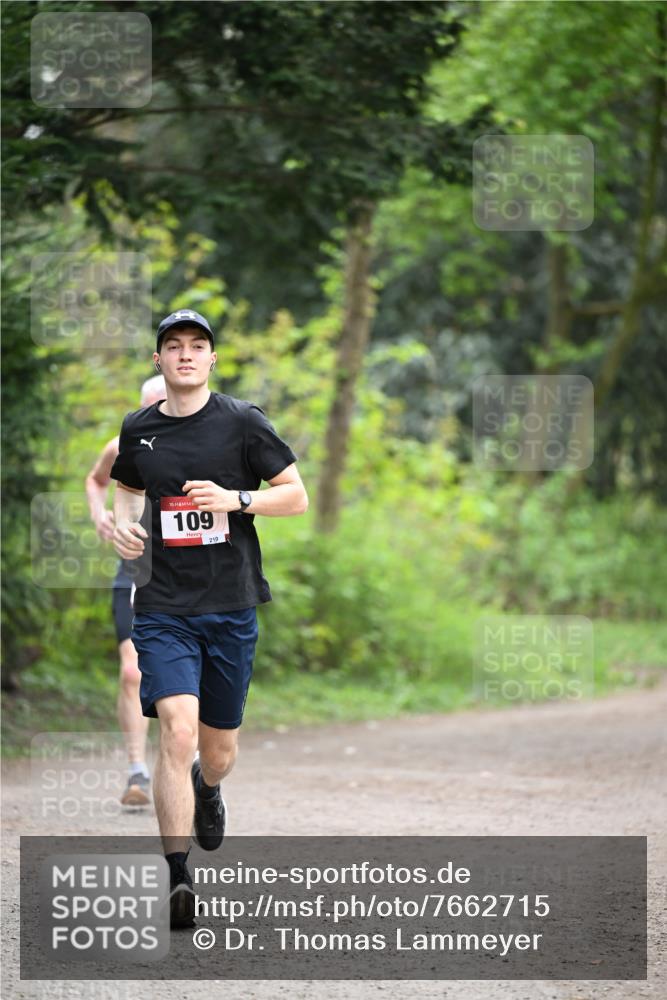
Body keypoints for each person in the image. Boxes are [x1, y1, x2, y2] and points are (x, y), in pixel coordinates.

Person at [109, 309, 308, 928]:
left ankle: (210, 787)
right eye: (174, 346)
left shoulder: (242, 423)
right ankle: (177, 878)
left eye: (198, 346)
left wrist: (238, 499)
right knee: (176, 729)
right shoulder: (139, 429)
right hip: (164, 605)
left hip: (230, 605)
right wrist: (122, 527)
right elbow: (126, 486)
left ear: (212, 359)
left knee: (216, 750)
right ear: (158, 359)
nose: (186, 355)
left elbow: (296, 496)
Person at [85, 375, 166, 807]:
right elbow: (95, 480)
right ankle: (138, 771)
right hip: (136, 568)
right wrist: (100, 515)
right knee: (133, 670)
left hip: (193, 575)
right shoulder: (121, 447)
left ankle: (189, 758)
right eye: (149, 406)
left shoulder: (204, 443)